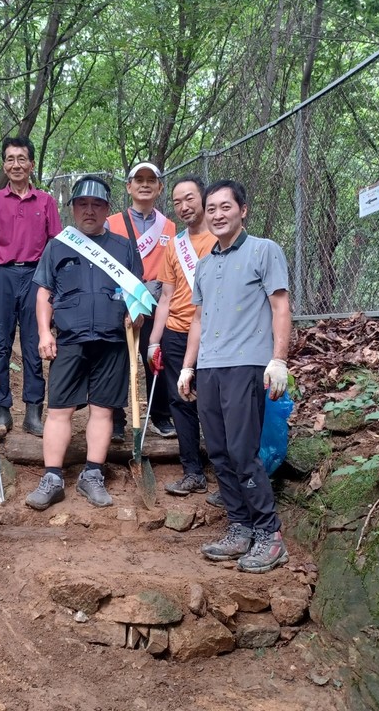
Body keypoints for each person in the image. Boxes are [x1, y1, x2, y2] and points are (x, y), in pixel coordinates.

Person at [177, 179, 291, 573]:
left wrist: (278, 359)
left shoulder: (264, 250)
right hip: (210, 367)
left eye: (226, 207)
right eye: (211, 208)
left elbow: (280, 306)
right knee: (220, 453)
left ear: (243, 210)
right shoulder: (205, 265)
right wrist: (188, 366)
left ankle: (269, 534)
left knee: (243, 451)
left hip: (247, 364)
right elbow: (197, 319)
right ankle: (240, 527)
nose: (217, 214)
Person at [25, 175, 148, 510]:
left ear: (107, 209)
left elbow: (137, 291)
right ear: (73, 209)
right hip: (70, 339)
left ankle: (92, 475)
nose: (89, 210)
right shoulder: (58, 246)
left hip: (112, 339)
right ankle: (52, 478)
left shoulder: (123, 247)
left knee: (103, 409)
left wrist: (136, 313)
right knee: (59, 409)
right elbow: (44, 292)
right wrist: (45, 332)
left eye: (97, 205)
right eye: (83, 204)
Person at [0, 136, 62, 438]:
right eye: (10, 159)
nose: (16, 164)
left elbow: (55, 245)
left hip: (37, 277)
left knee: (35, 344)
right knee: (0, 343)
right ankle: (2, 410)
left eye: (22, 159)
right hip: (2, 275)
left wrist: (55, 285)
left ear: (31, 164)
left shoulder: (46, 201)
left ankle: (33, 412)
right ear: (4, 165)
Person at [147, 176, 216, 497]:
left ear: (203, 198)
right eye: (177, 202)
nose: (184, 206)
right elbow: (165, 297)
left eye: (189, 198)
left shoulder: (222, 238)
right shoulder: (174, 245)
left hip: (214, 334)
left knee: (214, 403)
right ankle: (192, 471)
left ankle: (226, 472)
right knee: (181, 399)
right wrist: (154, 341)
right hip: (176, 332)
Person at [107, 162, 177, 441]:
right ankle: (115, 418)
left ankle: (159, 415)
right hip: (119, 299)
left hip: (155, 302)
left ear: (160, 187)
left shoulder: (169, 226)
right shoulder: (112, 222)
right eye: (139, 179)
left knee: (156, 354)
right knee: (116, 358)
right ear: (129, 186)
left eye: (151, 180)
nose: (145, 184)